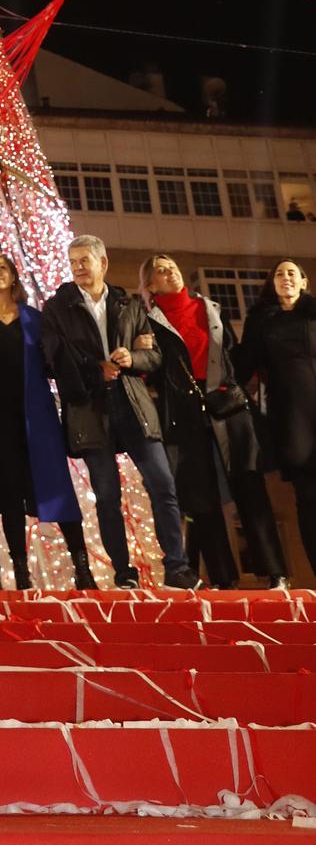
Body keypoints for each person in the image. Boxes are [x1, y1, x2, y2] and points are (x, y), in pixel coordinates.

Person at [41, 233, 195, 589]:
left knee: (163, 483)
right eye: (74, 261)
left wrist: (133, 357)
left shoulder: (129, 304)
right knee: (107, 496)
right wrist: (97, 369)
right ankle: (123, 573)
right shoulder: (57, 308)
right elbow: (53, 359)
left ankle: (177, 567)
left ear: (103, 263)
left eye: (85, 260)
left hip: (133, 403)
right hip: (90, 409)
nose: (78, 267)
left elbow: (154, 356)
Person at [139, 253, 287, 589]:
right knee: (201, 500)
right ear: (150, 284)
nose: (170, 272)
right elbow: (151, 370)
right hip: (185, 417)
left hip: (228, 409)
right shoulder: (150, 322)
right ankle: (224, 579)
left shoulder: (211, 309)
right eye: (160, 271)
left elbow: (232, 356)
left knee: (250, 489)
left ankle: (275, 573)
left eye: (172, 266)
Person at [0, 252, 87, 590]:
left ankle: (82, 566)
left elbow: (53, 359)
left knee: (57, 485)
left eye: (2, 268)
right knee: (11, 493)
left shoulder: (34, 317)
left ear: (13, 277)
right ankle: (21, 572)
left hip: (36, 414)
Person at [234, 258, 316, 584]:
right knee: (309, 500)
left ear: (304, 282)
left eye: (291, 273)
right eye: (279, 274)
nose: (285, 278)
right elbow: (242, 368)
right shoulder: (262, 321)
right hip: (291, 418)